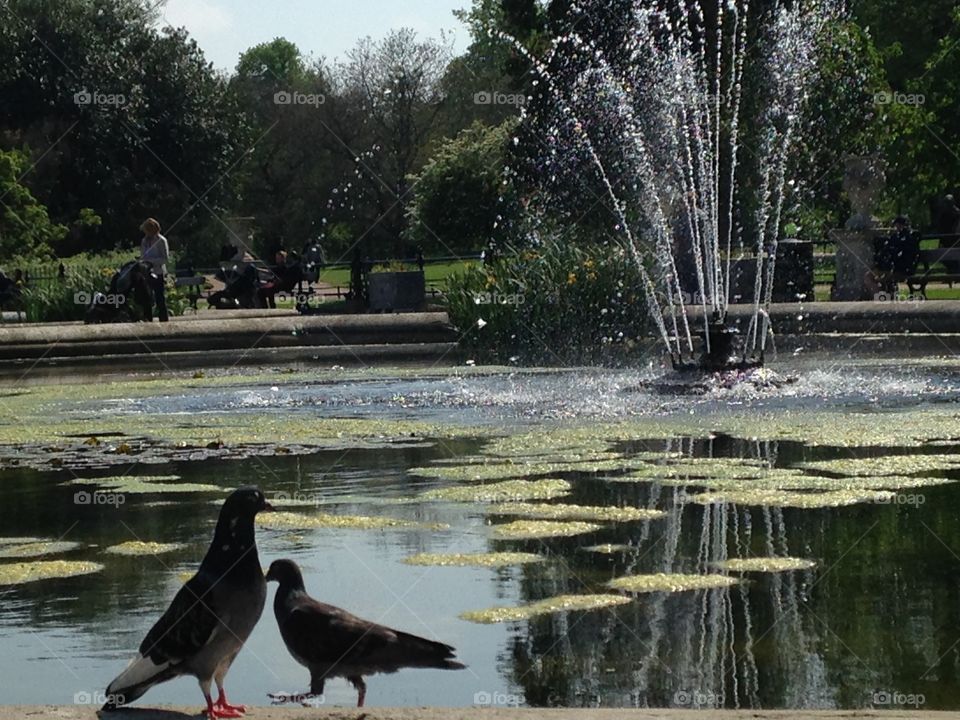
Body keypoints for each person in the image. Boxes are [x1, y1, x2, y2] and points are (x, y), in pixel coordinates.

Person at [865, 215, 919, 297]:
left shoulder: (902, 238)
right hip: (901, 268)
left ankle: (881, 297)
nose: (895, 227)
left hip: (899, 270)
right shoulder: (909, 237)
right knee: (877, 277)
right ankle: (884, 296)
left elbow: (895, 256)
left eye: (896, 225)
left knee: (869, 277)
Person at [140, 217, 169, 322]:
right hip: (146, 272)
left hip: (158, 272)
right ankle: (148, 319)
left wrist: (151, 261)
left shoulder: (161, 240)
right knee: (146, 297)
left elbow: (165, 258)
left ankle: (164, 319)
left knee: (159, 297)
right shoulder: (144, 241)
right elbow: (143, 255)